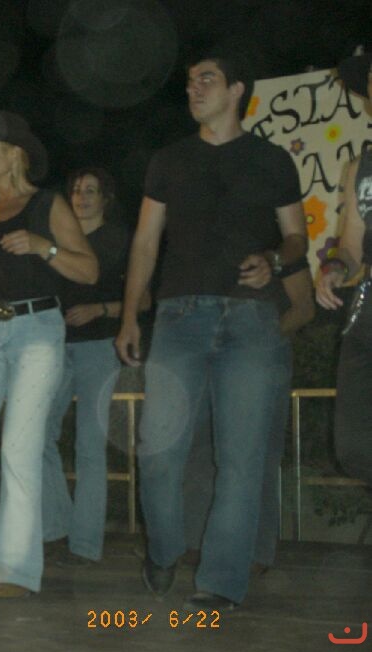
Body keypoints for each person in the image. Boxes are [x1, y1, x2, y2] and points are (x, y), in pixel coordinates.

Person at [115, 54, 308, 612]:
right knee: (158, 451)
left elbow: (297, 237)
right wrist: (129, 316)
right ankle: (164, 548)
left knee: (242, 460)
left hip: (251, 321)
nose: (194, 89)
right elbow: (145, 243)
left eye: (207, 80)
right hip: (180, 318)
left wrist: (274, 258)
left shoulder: (272, 159)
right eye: (190, 82)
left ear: (237, 89)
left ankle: (220, 582)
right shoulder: (169, 160)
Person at [0, 110, 99, 599]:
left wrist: (42, 247)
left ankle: (14, 570)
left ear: (15, 155)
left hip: (37, 329)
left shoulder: (49, 205)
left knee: (20, 449)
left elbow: (89, 271)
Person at [183, 260, 314, 572]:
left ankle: (255, 550)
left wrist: (258, 342)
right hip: (209, 354)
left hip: (261, 356)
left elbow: (304, 309)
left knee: (256, 454)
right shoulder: (202, 252)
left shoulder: (279, 247)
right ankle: (197, 542)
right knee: (200, 448)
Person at [41, 167, 130, 564]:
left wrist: (100, 309)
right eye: (76, 190)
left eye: (91, 190)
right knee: (37, 432)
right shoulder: (58, 240)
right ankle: (55, 525)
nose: (82, 197)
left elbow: (144, 300)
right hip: (55, 346)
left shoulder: (118, 239)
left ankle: (86, 542)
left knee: (90, 444)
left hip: (98, 346)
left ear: (105, 198)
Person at [316, 50, 372, 488]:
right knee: (355, 446)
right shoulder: (361, 165)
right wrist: (334, 267)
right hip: (367, 312)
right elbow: (352, 246)